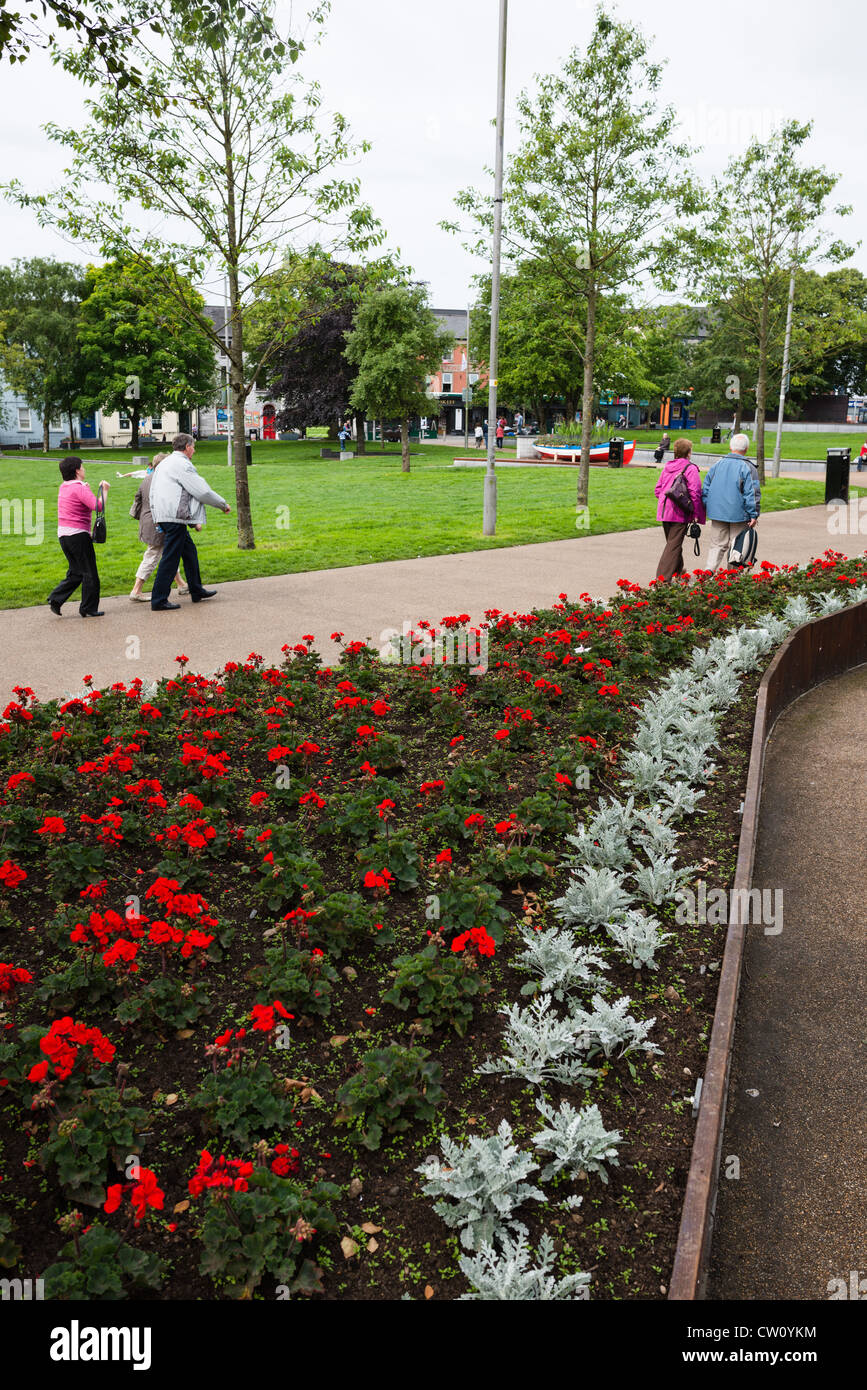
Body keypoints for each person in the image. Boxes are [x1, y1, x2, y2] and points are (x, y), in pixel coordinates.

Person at [147, 433, 231, 611]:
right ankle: (159, 599)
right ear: (186, 447)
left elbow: (153, 491)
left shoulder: (166, 462)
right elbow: (202, 491)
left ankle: (196, 589)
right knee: (170, 558)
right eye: (193, 446)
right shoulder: (182, 464)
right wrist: (222, 505)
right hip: (174, 517)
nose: (194, 450)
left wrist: (157, 516)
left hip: (165, 514)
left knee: (189, 552)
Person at [47, 457, 111, 618]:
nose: (84, 469)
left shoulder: (64, 487)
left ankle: (55, 599)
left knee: (76, 572)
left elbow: (77, 500)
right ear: (77, 470)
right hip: (78, 535)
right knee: (90, 573)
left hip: (64, 535)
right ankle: (88, 608)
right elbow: (98, 506)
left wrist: (86, 489)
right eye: (82, 467)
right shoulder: (80, 488)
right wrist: (105, 490)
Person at [128, 453, 188, 602]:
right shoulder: (161, 480)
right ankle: (136, 590)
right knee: (153, 555)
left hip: (147, 522)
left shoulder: (147, 479)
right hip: (157, 524)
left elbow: (138, 500)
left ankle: (181, 584)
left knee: (168, 553)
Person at [701, 431, 760, 572]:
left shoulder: (717, 464)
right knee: (737, 546)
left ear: (730, 446)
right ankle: (732, 579)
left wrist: (708, 505)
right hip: (739, 514)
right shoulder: (749, 467)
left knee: (716, 545)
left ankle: (708, 573)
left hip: (717, 512)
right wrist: (754, 514)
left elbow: (706, 488)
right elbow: (752, 493)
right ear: (746, 449)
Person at [654, 438, 706, 582]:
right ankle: (662, 579)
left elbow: (658, 490)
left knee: (673, 543)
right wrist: (696, 513)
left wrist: (665, 502)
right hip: (679, 512)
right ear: (688, 453)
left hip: (664, 511)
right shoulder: (690, 468)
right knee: (673, 545)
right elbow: (695, 492)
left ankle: (678, 570)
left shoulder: (667, 466)